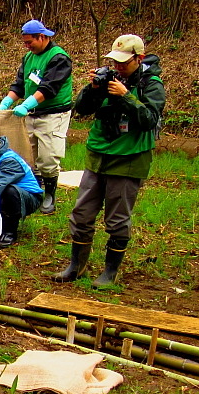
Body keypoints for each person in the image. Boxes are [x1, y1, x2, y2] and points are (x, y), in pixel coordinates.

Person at [53, 34, 165, 287]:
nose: (119, 67)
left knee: (117, 218)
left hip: (129, 158)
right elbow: (81, 109)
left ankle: (109, 272)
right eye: (115, 62)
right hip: (98, 154)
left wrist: (126, 95)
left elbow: (149, 119)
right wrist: (93, 88)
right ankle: (76, 266)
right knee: (82, 213)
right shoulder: (108, 78)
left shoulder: (151, 84)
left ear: (140, 58)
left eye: (124, 62)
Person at [0, 20, 73, 215]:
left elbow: (49, 87)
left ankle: (50, 194)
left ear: (43, 37)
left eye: (30, 42)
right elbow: (20, 85)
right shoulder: (28, 57)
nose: (27, 46)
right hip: (32, 114)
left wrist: (27, 104)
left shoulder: (59, 58)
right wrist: (8, 101)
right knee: (29, 154)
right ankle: (35, 192)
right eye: (25, 43)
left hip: (53, 113)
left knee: (48, 157)